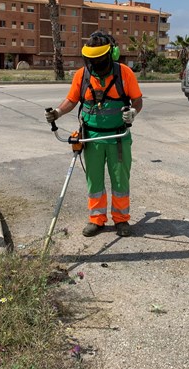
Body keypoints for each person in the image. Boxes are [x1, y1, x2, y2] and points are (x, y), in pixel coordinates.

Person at [45, 31, 143, 237]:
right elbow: (71, 100)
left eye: (99, 59)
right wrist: (57, 113)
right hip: (91, 137)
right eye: (91, 60)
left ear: (111, 54)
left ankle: (121, 219)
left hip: (118, 137)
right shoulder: (83, 75)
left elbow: (137, 100)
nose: (95, 64)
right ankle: (96, 219)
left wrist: (132, 112)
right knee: (95, 180)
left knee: (120, 180)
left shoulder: (124, 73)